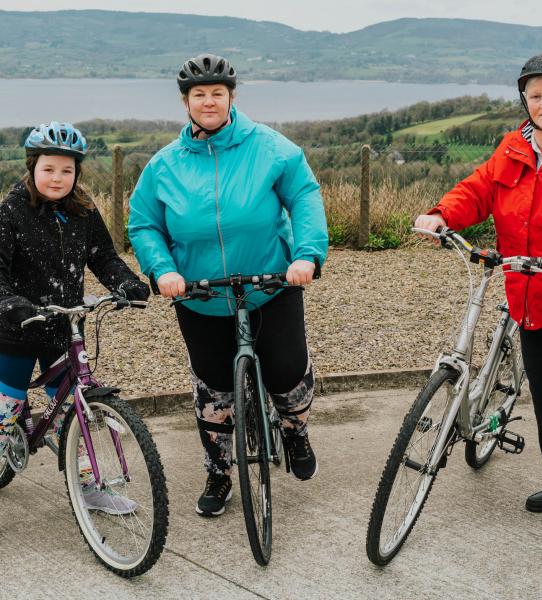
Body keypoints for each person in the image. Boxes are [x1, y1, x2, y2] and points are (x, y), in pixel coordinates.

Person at [128, 53, 328, 517]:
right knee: (214, 390)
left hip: (271, 283)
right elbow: (143, 225)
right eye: (200, 95)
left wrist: (306, 255)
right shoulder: (164, 165)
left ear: (231, 97)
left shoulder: (272, 147)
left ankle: (296, 433)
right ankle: (219, 473)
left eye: (217, 93)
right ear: (186, 103)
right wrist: (162, 271)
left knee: (286, 370)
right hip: (199, 294)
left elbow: (304, 197)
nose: (209, 101)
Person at [415, 52, 542, 527]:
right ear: (524, 99)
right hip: (532, 299)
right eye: (534, 95)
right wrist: (443, 214)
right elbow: (480, 189)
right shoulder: (514, 146)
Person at [0, 121, 150, 514]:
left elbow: (103, 256)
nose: (57, 177)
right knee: (6, 411)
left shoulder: (83, 210)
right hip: (15, 329)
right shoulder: (12, 210)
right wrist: (12, 302)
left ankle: (90, 487)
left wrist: (127, 283)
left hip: (63, 326)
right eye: (49, 168)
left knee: (72, 408)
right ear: (32, 167)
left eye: (67, 170)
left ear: (77, 173)